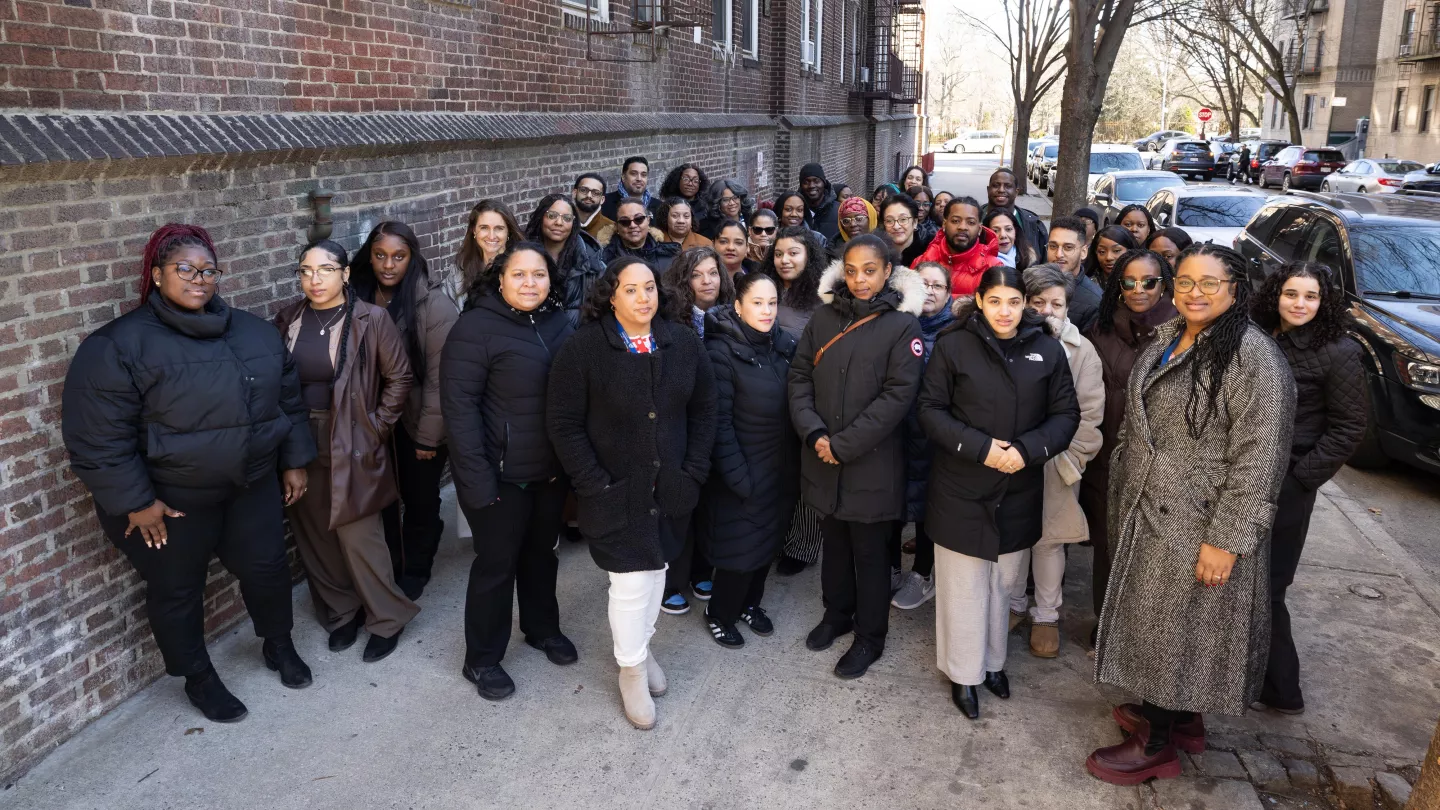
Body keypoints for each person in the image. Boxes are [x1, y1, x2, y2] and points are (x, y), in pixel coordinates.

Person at [62, 224, 316, 722]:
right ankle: (197, 676)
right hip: (170, 500)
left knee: (267, 570)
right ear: (156, 275)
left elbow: (287, 402)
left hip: (251, 485)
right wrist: (136, 500)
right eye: (184, 269)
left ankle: (277, 644)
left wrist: (294, 460)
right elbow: (97, 436)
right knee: (177, 590)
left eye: (208, 270)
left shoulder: (253, 332)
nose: (198, 279)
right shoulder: (117, 346)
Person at [1089, 244, 1295, 785]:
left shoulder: (1253, 358)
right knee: (1162, 626)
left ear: (1235, 288)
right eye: (1184, 282)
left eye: (1209, 283)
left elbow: (1261, 457)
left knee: (1175, 631)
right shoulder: (1168, 336)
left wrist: (1227, 539)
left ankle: (1154, 742)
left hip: (1199, 522)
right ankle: (1179, 718)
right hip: (1151, 509)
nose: (1194, 293)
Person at [546, 256, 717, 730]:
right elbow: (563, 424)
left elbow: (706, 408)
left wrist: (695, 469)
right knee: (631, 583)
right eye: (631, 290)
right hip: (614, 491)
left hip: (672, 487)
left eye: (650, 288)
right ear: (611, 296)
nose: (644, 298)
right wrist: (593, 482)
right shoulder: (584, 350)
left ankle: (642, 649)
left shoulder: (681, 341)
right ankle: (632, 670)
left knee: (660, 571)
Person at [920, 264, 1080, 720]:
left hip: (1018, 484)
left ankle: (992, 665)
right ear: (980, 301)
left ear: (1026, 305)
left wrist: (1027, 451)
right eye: (995, 301)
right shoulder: (954, 345)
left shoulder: (1047, 349)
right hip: (961, 483)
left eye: (1014, 302)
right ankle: (963, 674)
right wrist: (982, 449)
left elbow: (1066, 415)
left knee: (1003, 583)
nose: (1005, 312)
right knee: (963, 584)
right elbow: (930, 411)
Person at [440, 244, 579, 701]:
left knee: (542, 555)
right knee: (496, 566)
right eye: (518, 275)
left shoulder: (561, 323)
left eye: (539, 275)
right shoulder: (474, 329)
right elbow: (459, 414)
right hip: (499, 476)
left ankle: (541, 629)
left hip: (550, 471)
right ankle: (481, 659)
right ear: (499, 279)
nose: (529, 284)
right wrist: (476, 483)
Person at [275, 240, 419, 665]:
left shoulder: (370, 319)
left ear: (345, 274)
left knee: (360, 535)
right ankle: (342, 612)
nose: (314, 279)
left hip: (353, 437)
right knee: (314, 529)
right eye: (305, 271)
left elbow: (400, 378)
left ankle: (387, 617)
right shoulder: (288, 319)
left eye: (324, 269)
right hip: (301, 435)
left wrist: (375, 428)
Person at [788, 234, 925, 679]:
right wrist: (814, 433)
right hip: (823, 457)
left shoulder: (903, 327)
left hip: (872, 463)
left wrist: (843, 444)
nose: (860, 279)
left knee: (870, 553)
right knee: (835, 545)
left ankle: (870, 636)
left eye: (870, 270)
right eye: (852, 270)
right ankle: (836, 614)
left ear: (888, 271)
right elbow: (799, 377)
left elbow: (898, 396)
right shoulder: (824, 317)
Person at [1250, 262, 1367, 715]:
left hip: (1291, 483)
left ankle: (1283, 690)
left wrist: (1301, 480)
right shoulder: (1259, 338)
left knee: (1271, 586)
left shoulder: (1339, 352)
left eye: (1311, 296)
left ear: (1324, 301)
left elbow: (1349, 427)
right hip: (1246, 475)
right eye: (1291, 294)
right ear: (1275, 294)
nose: (1300, 304)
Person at [350, 221, 461, 599]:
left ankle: (416, 567)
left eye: (398, 256)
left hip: (419, 421)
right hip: (375, 419)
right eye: (380, 255)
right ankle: (393, 560)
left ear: (412, 258)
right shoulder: (356, 297)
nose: (388, 265)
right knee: (383, 499)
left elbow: (441, 378)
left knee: (420, 499)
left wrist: (429, 438)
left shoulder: (433, 305)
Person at [1006, 264, 1104, 658]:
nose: (1048, 310)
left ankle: (1046, 615)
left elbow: (1090, 412)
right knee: (1013, 539)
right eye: (1039, 302)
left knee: (1048, 543)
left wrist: (1073, 460)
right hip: (1012, 459)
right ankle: (1012, 604)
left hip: (1057, 463)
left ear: (1068, 307)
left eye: (1057, 303)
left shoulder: (1082, 352)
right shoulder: (1008, 340)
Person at [699, 273, 800, 648]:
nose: (766, 310)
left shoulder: (784, 345)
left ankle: (749, 605)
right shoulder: (720, 352)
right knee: (738, 550)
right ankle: (719, 613)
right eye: (757, 302)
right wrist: (738, 476)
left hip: (780, 469)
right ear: (738, 306)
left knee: (766, 544)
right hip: (742, 472)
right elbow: (718, 424)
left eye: (772, 302)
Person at [1081, 249, 1176, 642]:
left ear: (1164, 284)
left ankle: (1142, 635)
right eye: (1129, 282)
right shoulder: (1100, 328)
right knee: (1106, 546)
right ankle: (1106, 628)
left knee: (1152, 553)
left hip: (1160, 462)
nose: (1139, 290)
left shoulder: (1182, 329)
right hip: (1106, 456)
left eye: (1149, 282)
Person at [890, 261, 955, 610]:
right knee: (892, 502)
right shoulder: (896, 324)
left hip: (935, 437)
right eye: (923, 284)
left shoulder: (958, 332)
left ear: (949, 293)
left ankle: (922, 573)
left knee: (928, 507)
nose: (929, 291)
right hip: (896, 430)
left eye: (938, 286)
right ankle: (889, 568)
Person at [525, 192, 607, 324]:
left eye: (567, 218)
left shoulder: (593, 263)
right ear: (541, 217)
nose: (559, 222)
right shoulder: (521, 255)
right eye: (552, 216)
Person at [916, 196, 1000, 296]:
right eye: (955, 221)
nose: (962, 227)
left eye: (971, 222)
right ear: (944, 224)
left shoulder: (992, 268)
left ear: (979, 229)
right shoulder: (922, 261)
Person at [759, 225, 827, 341]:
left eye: (793, 253)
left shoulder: (823, 298)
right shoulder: (761, 290)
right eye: (778, 254)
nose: (784, 260)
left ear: (808, 257)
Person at [454, 199, 522, 307]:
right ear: (474, 231)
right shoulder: (461, 268)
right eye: (484, 228)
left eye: (499, 228)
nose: (491, 236)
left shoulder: (522, 268)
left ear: (508, 232)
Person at [1046, 216, 1103, 333]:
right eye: (1053, 246)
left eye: (1068, 247)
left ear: (1083, 252)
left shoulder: (1095, 301)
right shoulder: (1032, 283)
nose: (1059, 254)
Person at [663, 246, 734, 337]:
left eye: (713, 273)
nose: (707, 281)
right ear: (682, 282)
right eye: (696, 275)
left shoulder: (736, 313)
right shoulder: (671, 321)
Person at [602, 198, 681, 273]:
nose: (632, 225)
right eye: (625, 221)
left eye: (639, 219)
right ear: (617, 226)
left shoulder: (669, 256)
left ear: (648, 220)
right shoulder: (603, 260)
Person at [983, 168, 1048, 257]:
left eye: (1008, 186)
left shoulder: (1033, 224)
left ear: (1016, 192)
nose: (1001, 190)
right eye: (996, 185)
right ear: (988, 190)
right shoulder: (973, 219)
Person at [600, 155, 660, 220]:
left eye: (643, 175)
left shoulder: (659, 206)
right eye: (634, 173)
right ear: (623, 177)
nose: (639, 179)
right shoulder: (604, 203)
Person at [879, 193, 930, 268]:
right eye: (889, 221)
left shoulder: (928, 252)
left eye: (903, 219)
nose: (896, 226)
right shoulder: (877, 252)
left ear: (915, 222)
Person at [827, 195, 878, 262]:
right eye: (846, 221)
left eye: (859, 219)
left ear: (871, 219)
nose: (852, 224)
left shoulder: (885, 248)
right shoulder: (831, 252)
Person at [798, 162, 841, 241]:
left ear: (824, 183)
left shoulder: (839, 210)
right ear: (801, 186)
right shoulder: (796, 212)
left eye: (816, 181)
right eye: (806, 182)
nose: (811, 186)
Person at [573, 173, 614, 245]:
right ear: (574, 193)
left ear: (602, 199)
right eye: (583, 190)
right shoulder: (562, 223)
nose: (589, 195)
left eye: (596, 193)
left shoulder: (612, 229)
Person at [745, 208, 779, 272]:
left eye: (769, 230)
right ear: (750, 231)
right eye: (757, 229)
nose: (763, 234)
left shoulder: (783, 251)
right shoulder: (742, 252)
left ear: (776, 231)